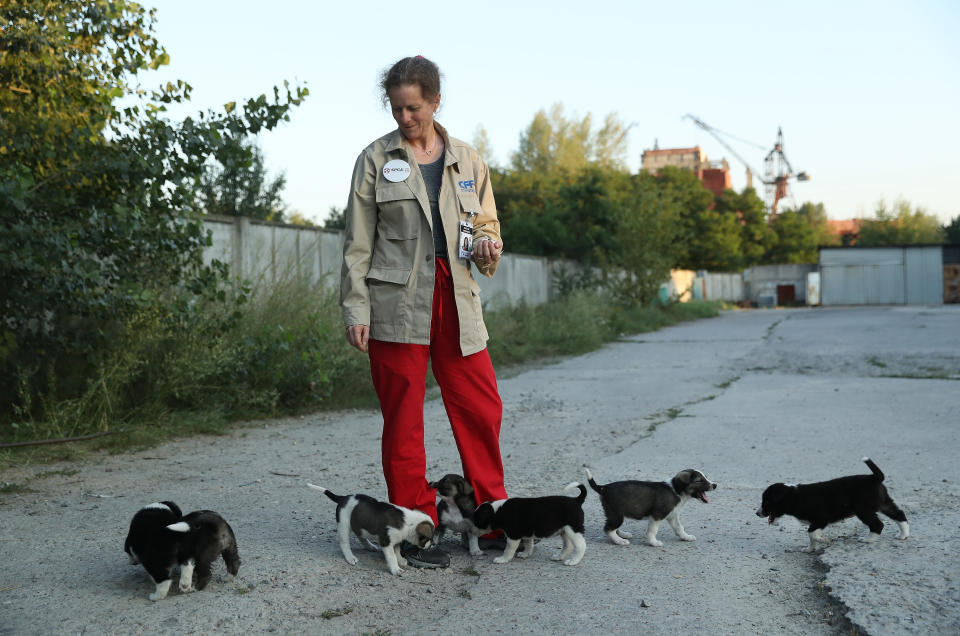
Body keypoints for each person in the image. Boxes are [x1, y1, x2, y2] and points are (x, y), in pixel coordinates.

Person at [340, 55, 506, 568]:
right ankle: (413, 527)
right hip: (395, 302)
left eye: (413, 107)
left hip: (455, 297)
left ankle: (492, 517)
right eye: (396, 109)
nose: (404, 118)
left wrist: (487, 246)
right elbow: (356, 244)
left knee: (481, 406)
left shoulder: (468, 159)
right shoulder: (374, 160)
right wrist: (355, 308)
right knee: (404, 416)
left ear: (436, 100)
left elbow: (489, 226)